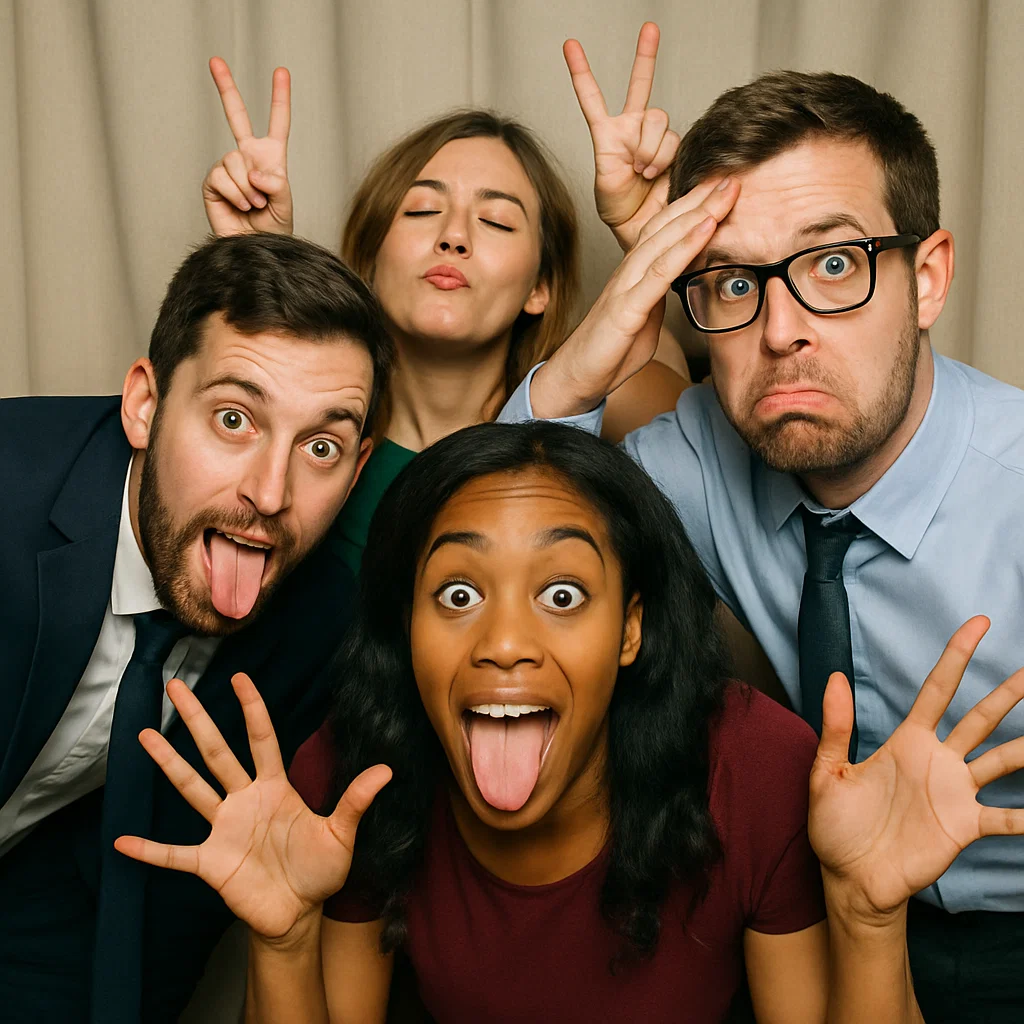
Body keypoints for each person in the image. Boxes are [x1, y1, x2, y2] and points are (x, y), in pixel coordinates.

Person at [117, 420, 1024, 1023]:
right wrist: (282, 945)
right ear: (404, 624)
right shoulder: (357, 773)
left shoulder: (755, 768)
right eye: (459, 593)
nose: (505, 642)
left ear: (630, 629)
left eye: (561, 593)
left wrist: (869, 918)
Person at [497, 56, 1024, 1021]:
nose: (781, 331)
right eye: (735, 282)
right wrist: (594, 349)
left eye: (834, 264)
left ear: (929, 276)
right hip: (795, 922)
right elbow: (499, 537)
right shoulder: (701, 456)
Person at [0, 231, 393, 1024]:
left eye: (320, 445)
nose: (271, 491)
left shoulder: (321, 622)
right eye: (234, 419)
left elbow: (162, 924)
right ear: (145, 406)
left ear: (357, 469)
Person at [200, 43, 688, 574]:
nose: (453, 236)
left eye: (497, 221)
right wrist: (265, 273)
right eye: (423, 209)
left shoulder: (618, 397)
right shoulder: (302, 435)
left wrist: (659, 238)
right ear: (368, 263)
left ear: (539, 286)